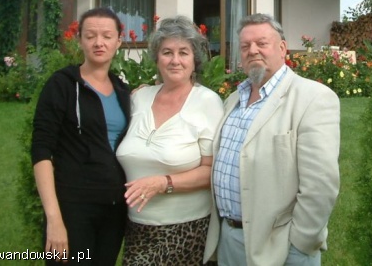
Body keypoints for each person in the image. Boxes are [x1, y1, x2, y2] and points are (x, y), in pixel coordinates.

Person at [207, 13, 341, 266]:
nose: (252, 51)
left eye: (262, 43)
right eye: (245, 46)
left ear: (282, 48)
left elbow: (321, 184)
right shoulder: (233, 100)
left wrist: (301, 242)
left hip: (281, 246)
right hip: (229, 240)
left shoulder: (313, 98)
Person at [116, 15, 224, 265]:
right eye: (167, 52)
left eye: (183, 52)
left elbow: (211, 171)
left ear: (195, 60)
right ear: (157, 58)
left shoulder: (207, 103)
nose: (175, 60)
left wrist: (162, 183)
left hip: (186, 229)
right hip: (136, 228)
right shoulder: (139, 98)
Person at [31, 7, 131, 265]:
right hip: (73, 208)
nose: (99, 42)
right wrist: (54, 219)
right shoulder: (61, 85)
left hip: (114, 209)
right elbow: (41, 151)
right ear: (80, 40)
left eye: (107, 36)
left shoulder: (122, 91)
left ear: (118, 41)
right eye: (90, 36)